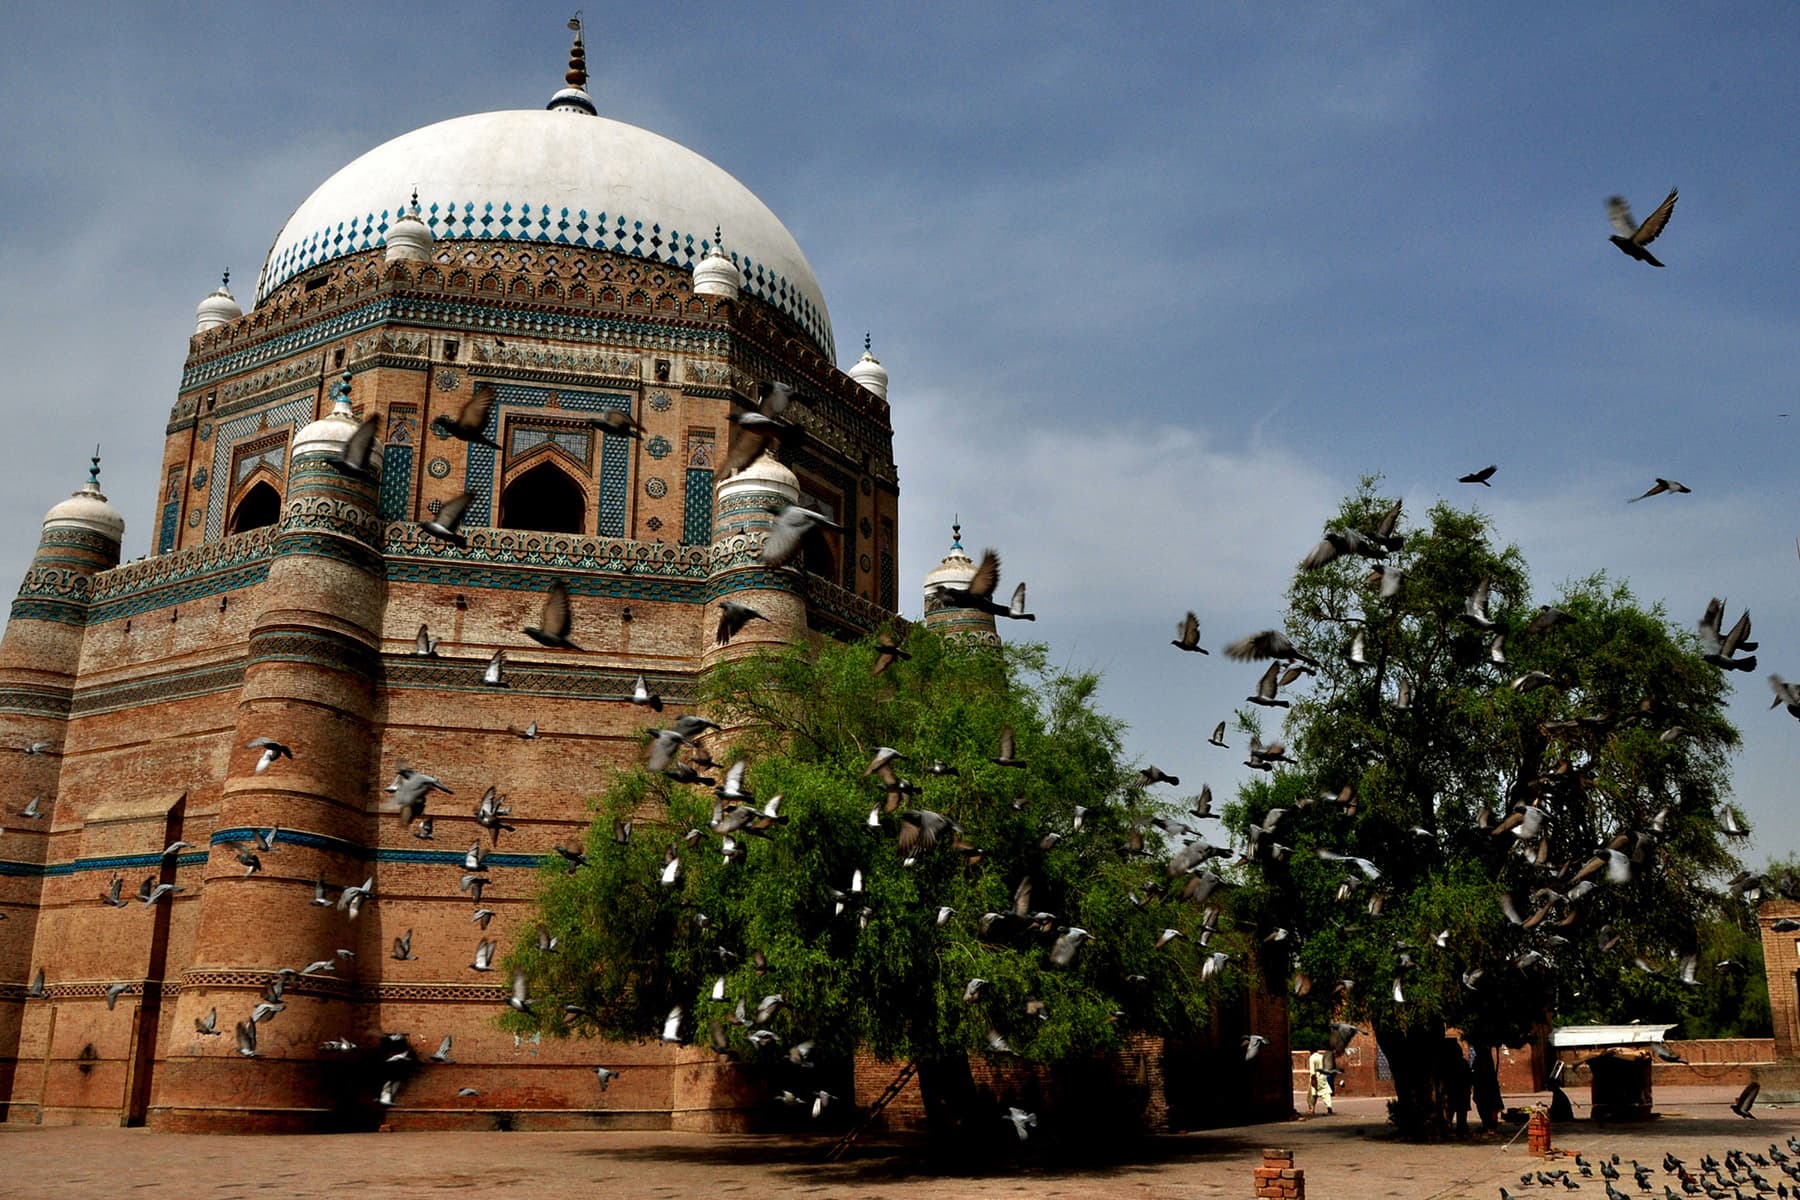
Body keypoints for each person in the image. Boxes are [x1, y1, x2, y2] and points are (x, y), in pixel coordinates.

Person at [1307, 1048, 1335, 1116]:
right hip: (1323, 1077)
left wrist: (1313, 1080)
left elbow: (1312, 1072)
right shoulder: (1321, 1057)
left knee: (1313, 1094)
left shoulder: (1312, 1058)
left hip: (1316, 1078)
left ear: (1310, 1051)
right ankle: (1329, 1106)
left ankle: (1312, 1109)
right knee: (1325, 1092)